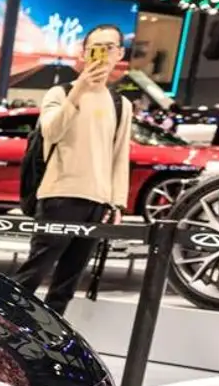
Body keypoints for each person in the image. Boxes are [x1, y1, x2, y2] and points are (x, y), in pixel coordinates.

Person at [14, 24, 131, 317]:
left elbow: (120, 156)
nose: (102, 54)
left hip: (98, 201)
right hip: (59, 195)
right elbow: (51, 132)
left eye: (109, 48)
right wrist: (78, 91)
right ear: (83, 53)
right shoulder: (60, 92)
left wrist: (117, 202)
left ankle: (51, 337)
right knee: (33, 273)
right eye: (95, 48)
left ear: (120, 54)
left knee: (68, 282)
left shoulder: (122, 104)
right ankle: (7, 326)